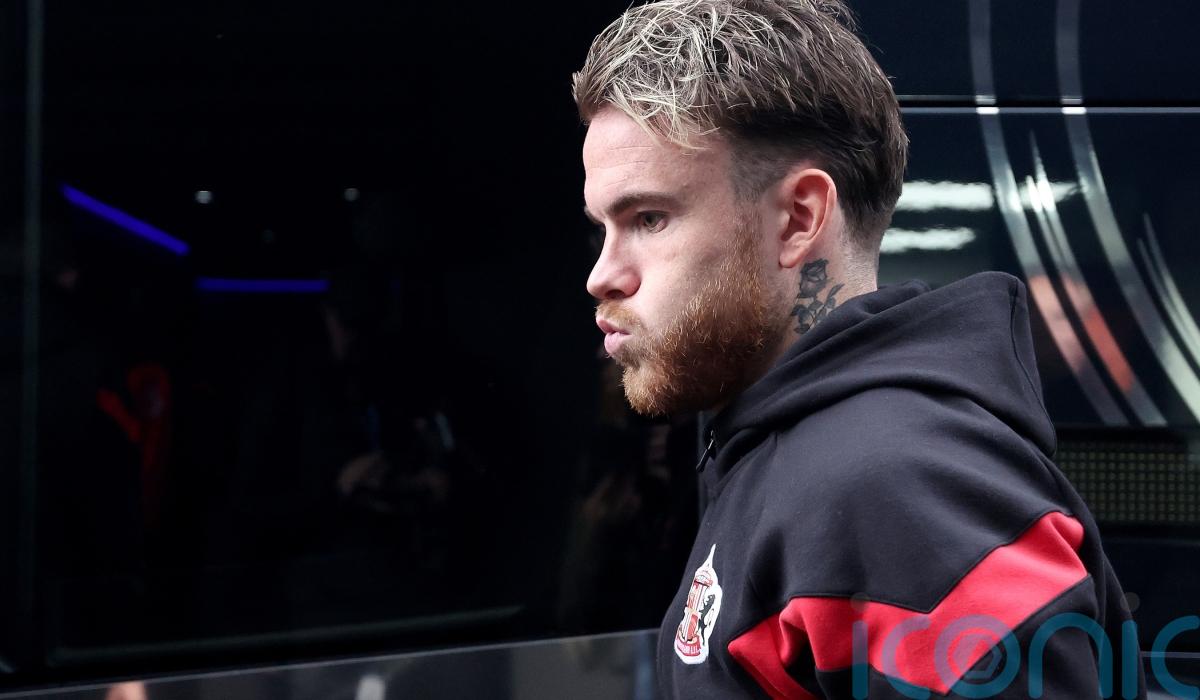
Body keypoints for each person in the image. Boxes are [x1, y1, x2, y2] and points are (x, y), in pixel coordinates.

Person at [573, 1, 1146, 698]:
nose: (602, 274)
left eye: (648, 218)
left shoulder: (894, 484)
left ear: (798, 218)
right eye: (603, 227)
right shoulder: (794, 455)